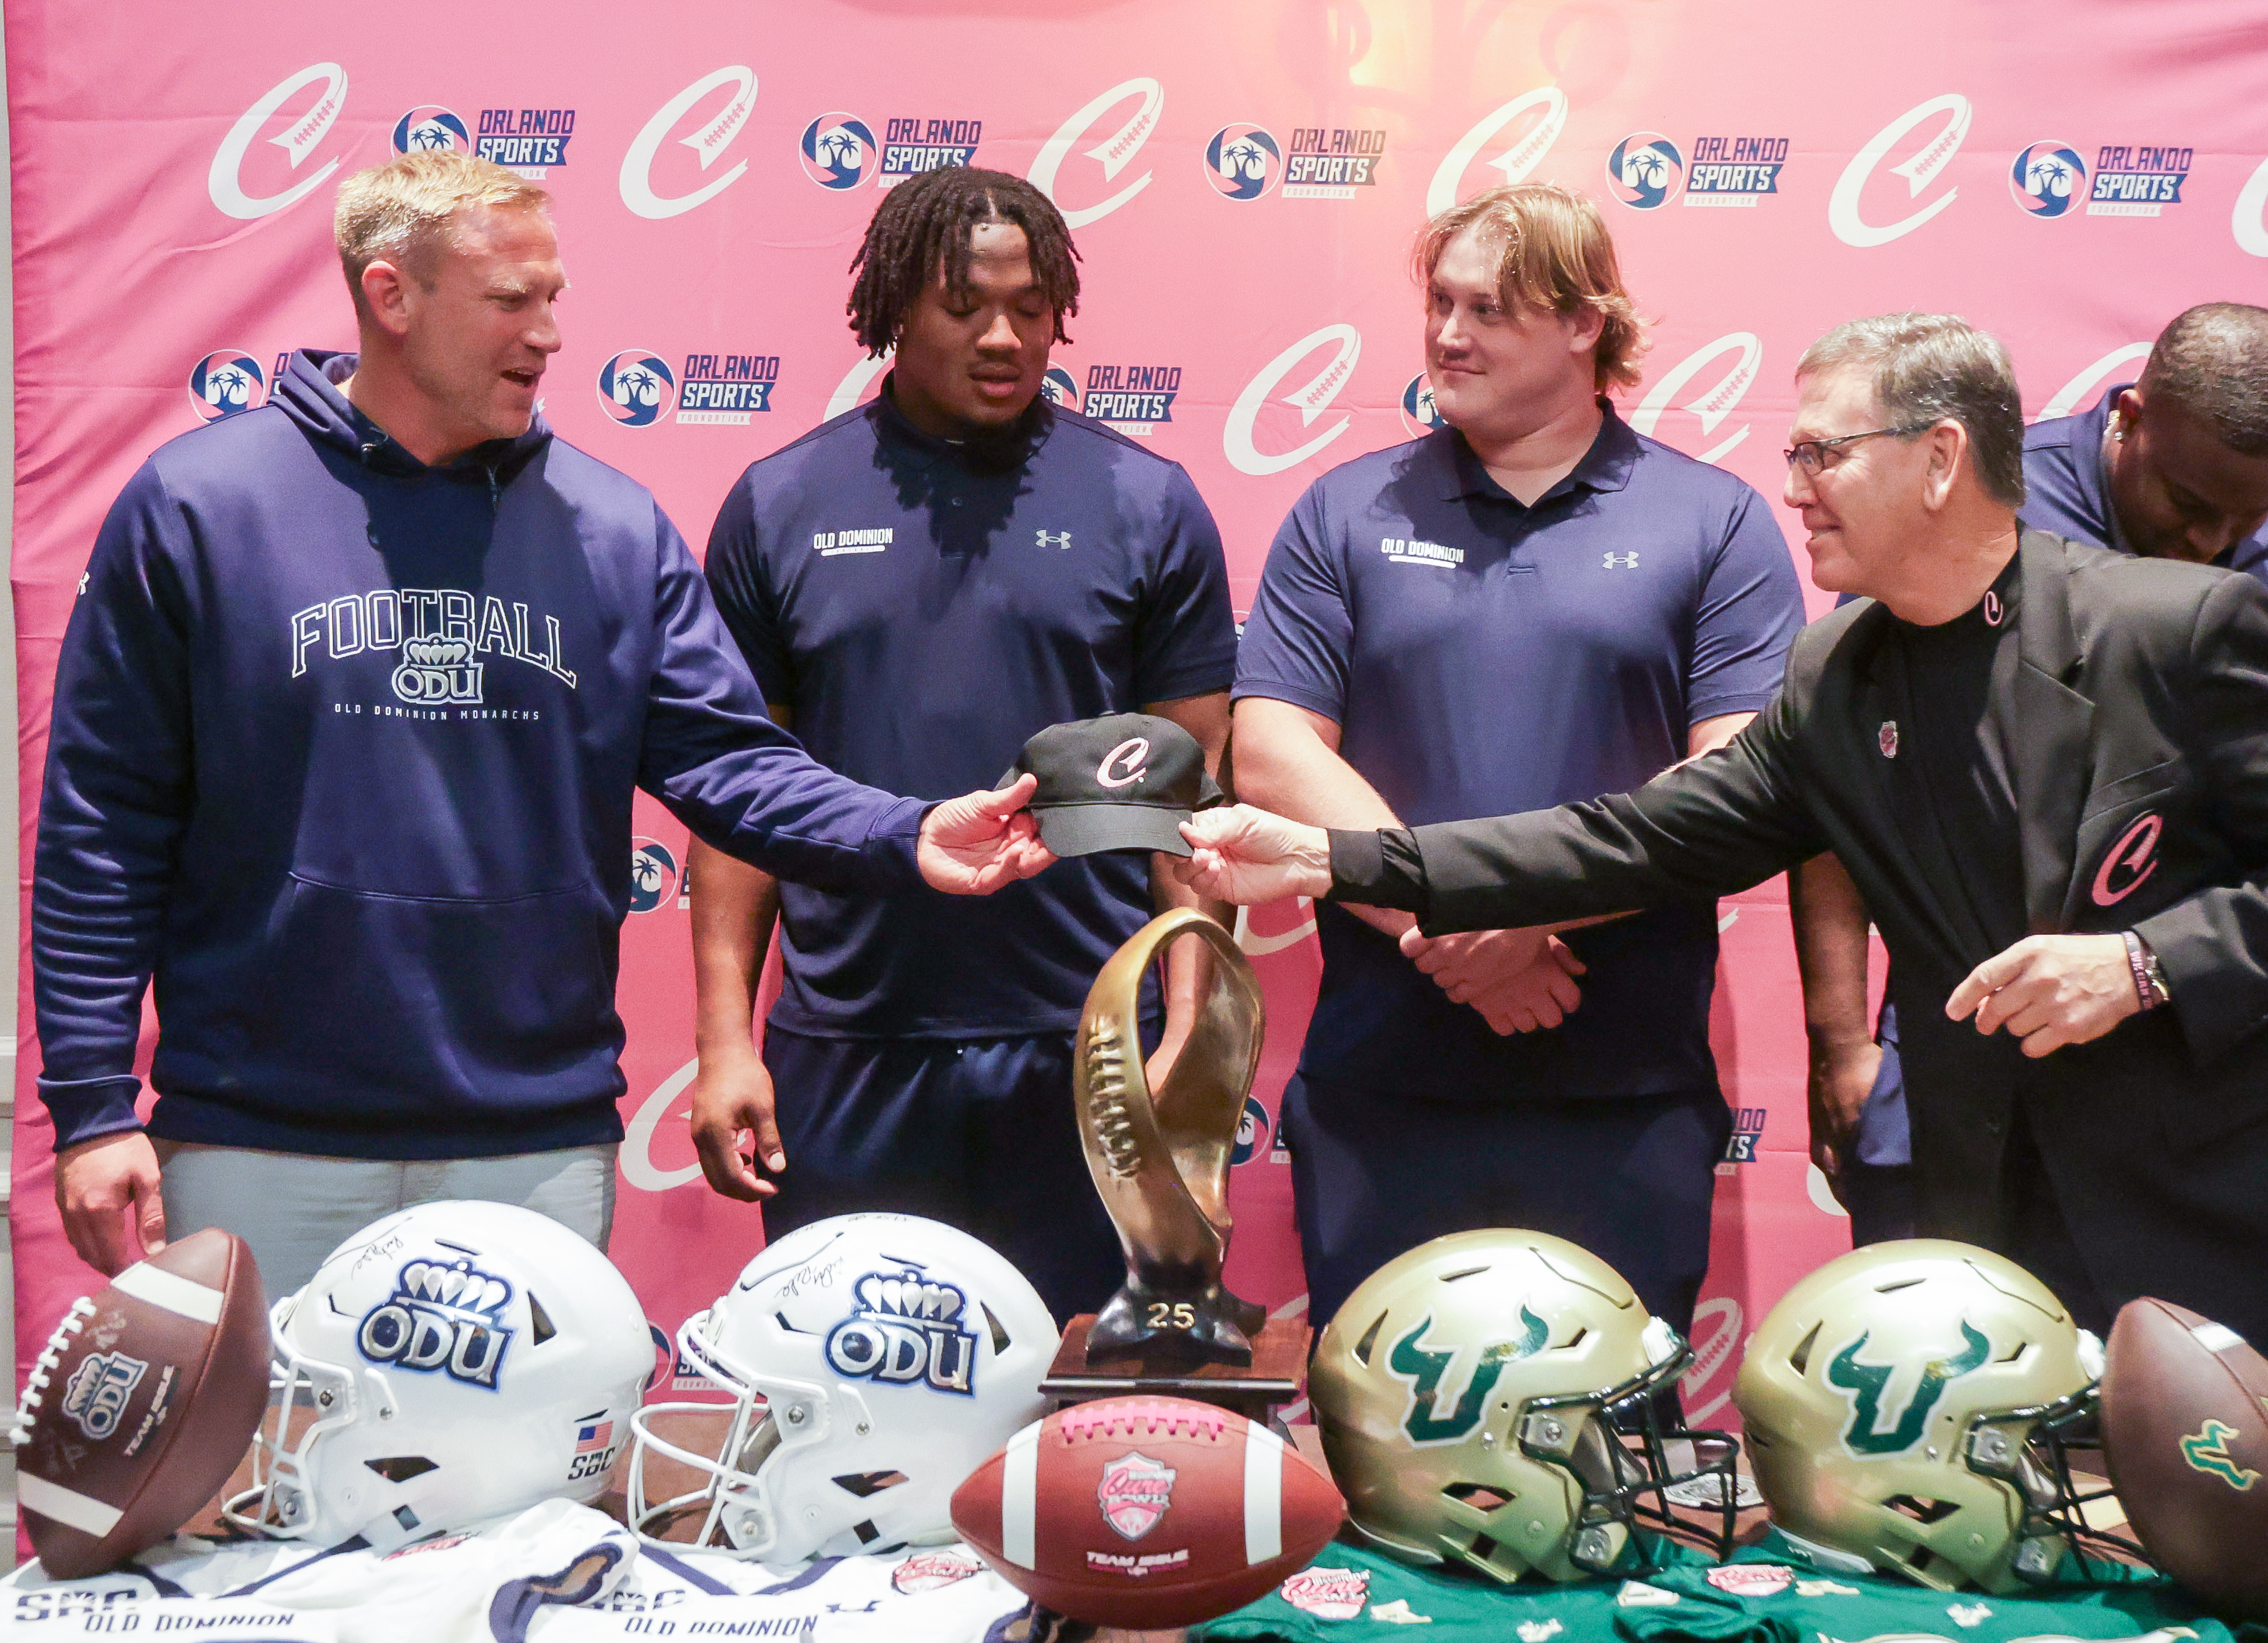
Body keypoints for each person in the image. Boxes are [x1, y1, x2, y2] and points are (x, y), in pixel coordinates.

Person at [1178, 314, 2268, 1643]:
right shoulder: (1835, 676)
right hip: (2029, 1267)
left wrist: (2142, 961)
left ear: (1935, 459)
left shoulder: (2172, 625)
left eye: (1820, 449)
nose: (1789, 480)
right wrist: (1344, 859)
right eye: (1789, 449)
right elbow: (1635, 840)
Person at [33, 153, 1053, 1295]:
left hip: (534, 1142)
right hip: (254, 1138)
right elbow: (100, 831)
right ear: (391, 296)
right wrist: (90, 1105)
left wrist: (902, 832)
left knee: (528, 1481)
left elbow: (728, 761)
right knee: (274, 1475)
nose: (552, 332)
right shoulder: (199, 509)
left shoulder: (610, 530)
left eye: (555, 296)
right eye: (512, 299)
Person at [1228, 183, 1800, 1329]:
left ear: (1586, 324)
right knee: (1379, 1456)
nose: (1447, 333)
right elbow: (1270, 751)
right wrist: (1446, 922)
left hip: (1623, 1090)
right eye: (1439, 302)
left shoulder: (1716, 520)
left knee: (1606, 1462)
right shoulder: (1344, 510)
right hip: (1382, 1086)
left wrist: (1527, 913)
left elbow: (1738, 785)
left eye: (1487, 308)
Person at [684, 166, 1236, 1320]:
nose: (1005, 337)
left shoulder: (1147, 502)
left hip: (1088, 1051)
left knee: (1078, 1430)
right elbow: (740, 800)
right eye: (965, 305)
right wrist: (726, 1043)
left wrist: (1186, 1028)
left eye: (1031, 308)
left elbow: (1194, 800)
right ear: (895, 308)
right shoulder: (779, 501)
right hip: (850, 1052)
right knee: (858, 1411)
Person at [1795, 303, 2268, 1239]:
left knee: (2220, 1380)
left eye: (2248, 516)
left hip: (2230, 1067)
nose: (2212, 540)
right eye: (2186, 502)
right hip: (1989, 1057)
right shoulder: (1985, 511)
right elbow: (1846, 776)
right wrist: (1841, 1035)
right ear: (2128, 417)